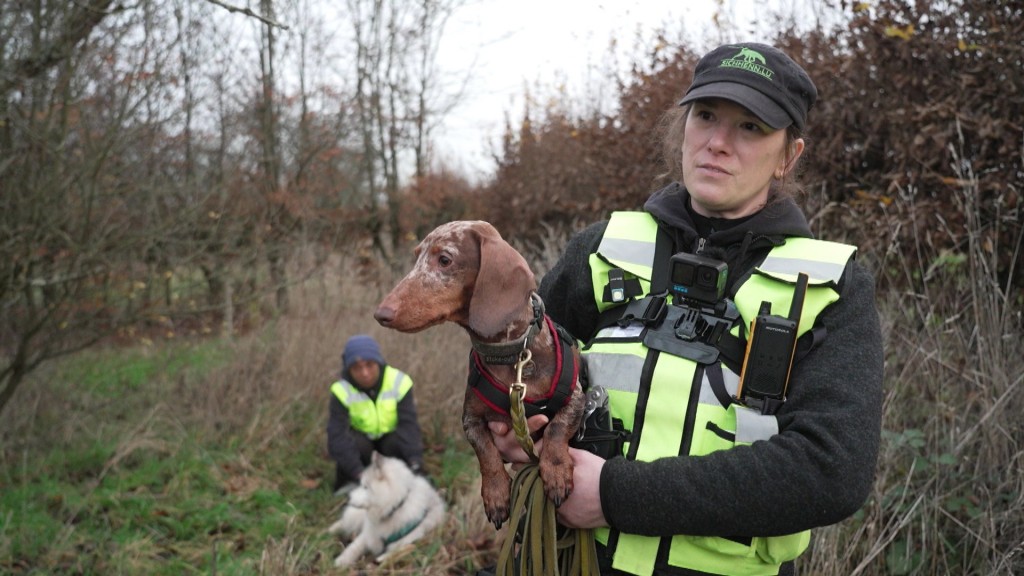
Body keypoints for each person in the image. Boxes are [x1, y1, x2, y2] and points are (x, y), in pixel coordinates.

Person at [488, 42, 884, 576]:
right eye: (705, 116)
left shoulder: (831, 287)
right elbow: (517, 372)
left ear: (788, 155)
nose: (718, 142)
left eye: (750, 127)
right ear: (683, 127)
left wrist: (614, 494)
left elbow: (830, 470)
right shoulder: (601, 249)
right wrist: (513, 423)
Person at [327, 334, 426, 495]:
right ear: (348, 369)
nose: (365, 373)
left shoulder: (399, 382)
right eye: (357, 368)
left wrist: (415, 461)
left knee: (398, 441)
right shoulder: (340, 390)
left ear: (379, 363)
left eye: (369, 365)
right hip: (362, 446)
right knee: (354, 443)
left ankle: (407, 478)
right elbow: (337, 436)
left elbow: (409, 426)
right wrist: (358, 472)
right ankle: (351, 484)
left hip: (389, 442)